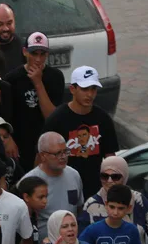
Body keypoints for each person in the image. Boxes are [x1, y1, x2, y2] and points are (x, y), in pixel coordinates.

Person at [43, 66, 120, 196]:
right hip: (63, 189)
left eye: (93, 89)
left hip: (95, 191)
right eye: (84, 89)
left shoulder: (103, 119)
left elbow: (110, 158)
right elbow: (42, 158)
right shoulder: (57, 119)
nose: (90, 94)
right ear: (72, 89)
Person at [4, 32, 64, 168]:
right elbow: (7, 114)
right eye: (34, 54)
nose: (38, 59)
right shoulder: (12, 78)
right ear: (25, 52)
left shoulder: (56, 77)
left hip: (45, 142)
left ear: (47, 54)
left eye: (42, 54)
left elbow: (52, 117)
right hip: (20, 141)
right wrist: (8, 139)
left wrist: (38, 83)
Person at [21, 132, 84, 234]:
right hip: (44, 241)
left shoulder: (74, 175)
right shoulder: (29, 181)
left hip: (71, 240)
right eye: (58, 153)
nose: (63, 156)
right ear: (43, 156)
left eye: (65, 151)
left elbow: (79, 208)